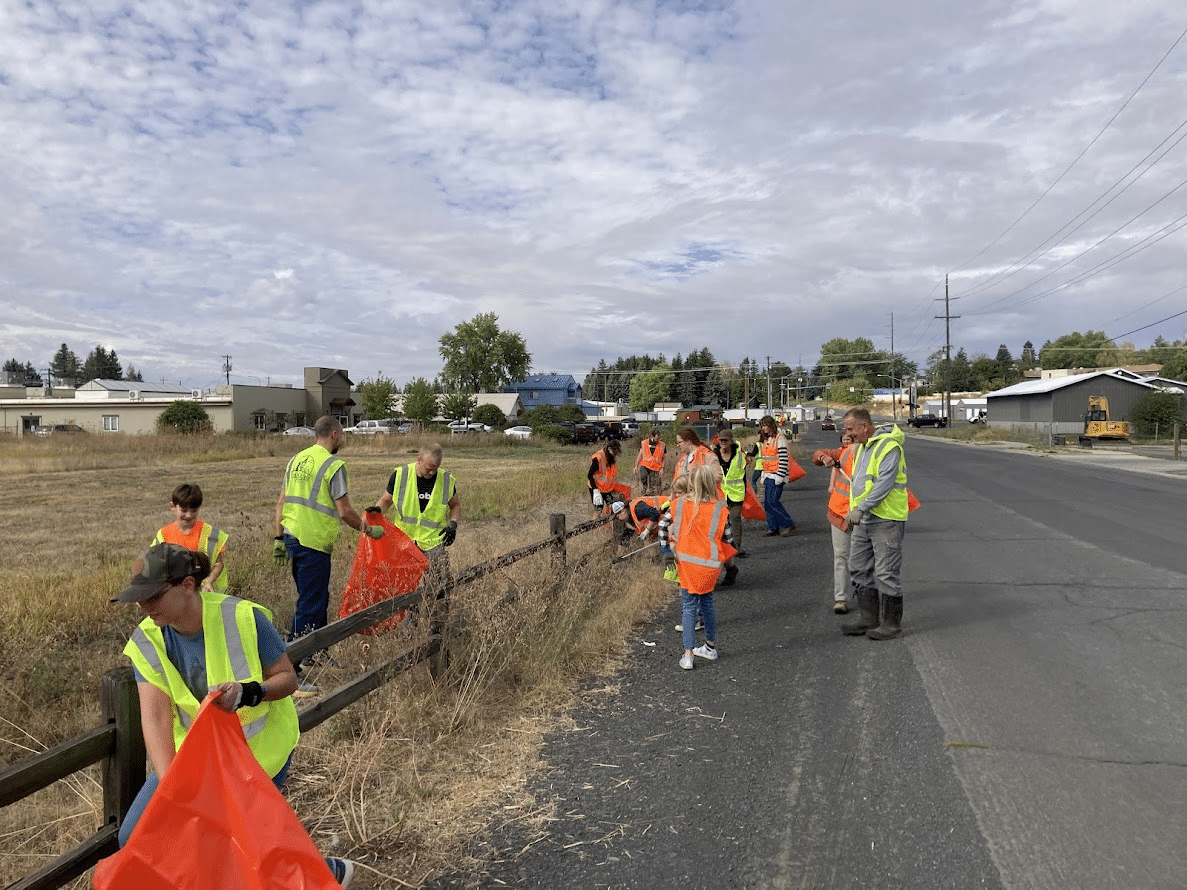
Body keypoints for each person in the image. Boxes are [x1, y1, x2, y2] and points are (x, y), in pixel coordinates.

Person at [112, 542, 355, 886]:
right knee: (135, 834)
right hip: (193, 760)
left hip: (257, 752)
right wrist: (172, 794)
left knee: (237, 842)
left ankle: (325, 874)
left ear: (187, 585)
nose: (143, 607)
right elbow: (155, 719)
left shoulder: (242, 617)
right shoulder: (146, 641)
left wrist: (249, 692)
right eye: (138, 599)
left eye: (152, 597)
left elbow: (287, 679)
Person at [275, 415, 382, 674]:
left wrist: (279, 537)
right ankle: (289, 669)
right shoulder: (333, 465)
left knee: (317, 599)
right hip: (313, 541)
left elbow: (281, 502)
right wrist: (368, 529)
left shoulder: (296, 459)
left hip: (292, 537)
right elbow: (344, 511)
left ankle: (317, 653)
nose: (342, 439)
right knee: (310, 604)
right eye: (342, 434)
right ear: (334, 433)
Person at [840, 408, 909, 640]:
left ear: (864, 427)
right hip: (864, 519)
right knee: (858, 567)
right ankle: (868, 619)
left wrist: (861, 508)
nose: (847, 434)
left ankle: (892, 626)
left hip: (886, 519)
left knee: (886, 572)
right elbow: (859, 484)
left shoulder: (889, 446)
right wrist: (854, 511)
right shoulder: (863, 447)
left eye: (850, 429)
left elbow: (884, 484)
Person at [659, 465, 737, 670]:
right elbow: (729, 538)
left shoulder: (679, 504)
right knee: (707, 603)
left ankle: (688, 655)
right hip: (710, 565)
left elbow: (662, 525)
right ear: (712, 483)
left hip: (686, 562)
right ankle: (710, 647)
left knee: (688, 607)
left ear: (692, 482)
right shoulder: (720, 508)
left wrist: (668, 548)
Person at [374, 442, 461, 590]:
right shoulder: (400, 475)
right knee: (403, 588)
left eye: (435, 469)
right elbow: (386, 501)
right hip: (404, 541)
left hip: (433, 543)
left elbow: (455, 505)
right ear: (419, 459)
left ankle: (436, 613)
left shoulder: (446, 480)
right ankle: (410, 613)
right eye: (429, 469)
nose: (432, 473)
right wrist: (375, 512)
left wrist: (453, 524)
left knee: (439, 589)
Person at [152, 482, 228, 593]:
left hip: (206, 595)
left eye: (194, 511)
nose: (189, 515)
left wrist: (209, 582)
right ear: (173, 507)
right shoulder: (163, 535)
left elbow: (219, 564)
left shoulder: (211, 534)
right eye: (184, 510)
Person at [812, 431, 858, 614]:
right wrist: (823, 457)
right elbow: (817, 454)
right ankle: (841, 598)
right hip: (840, 512)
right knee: (841, 556)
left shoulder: (874, 454)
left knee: (861, 559)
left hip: (864, 515)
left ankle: (864, 595)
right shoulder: (844, 452)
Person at [712, 427, 750, 557]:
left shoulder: (740, 456)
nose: (722, 442)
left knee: (735, 518)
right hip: (720, 494)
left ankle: (737, 547)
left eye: (725, 440)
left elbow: (743, 475)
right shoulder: (714, 455)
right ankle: (724, 548)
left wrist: (745, 493)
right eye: (720, 440)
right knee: (721, 521)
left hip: (736, 493)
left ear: (731, 441)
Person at [757, 415, 796, 536]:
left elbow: (784, 459)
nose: (764, 428)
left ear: (771, 425)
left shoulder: (780, 439)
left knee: (773, 502)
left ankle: (787, 523)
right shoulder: (766, 440)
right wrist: (764, 474)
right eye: (762, 426)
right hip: (768, 475)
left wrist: (780, 475)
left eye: (766, 425)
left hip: (777, 475)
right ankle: (773, 527)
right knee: (767, 503)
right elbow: (767, 459)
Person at [588, 439, 629, 514]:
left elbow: (610, 477)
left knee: (611, 507)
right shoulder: (598, 458)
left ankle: (609, 525)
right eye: (615, 452)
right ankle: (596, 524)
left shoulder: (612, 458)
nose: (615, 454)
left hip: (607, 489)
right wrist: (595, 490)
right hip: (597, 488)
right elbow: (590, 475)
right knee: (599, 510)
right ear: (609, 449)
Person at [635, 427, 667, 496]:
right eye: (656, 438)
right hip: (645, 465)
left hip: (655, 467)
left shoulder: (662, 445)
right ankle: (644, 488)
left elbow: (663, 458)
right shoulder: (645, 443)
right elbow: (640, 455)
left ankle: (651, 493)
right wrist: (636, 466)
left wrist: (662, 468)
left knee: (653, 483)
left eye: (658, 438)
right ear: (652, 436)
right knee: (644, 476)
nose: (657, 440)